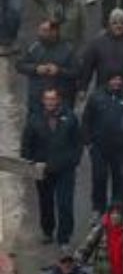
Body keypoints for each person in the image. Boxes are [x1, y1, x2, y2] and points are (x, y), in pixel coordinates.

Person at [21, 87, 83, 246]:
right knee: (45, 202)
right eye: (47, 99)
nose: (50, 102)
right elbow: (27, 144)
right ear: (43, 100)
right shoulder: (34, 119)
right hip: (43, 169)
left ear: (58, 100)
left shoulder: (70, 117)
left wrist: (73, 161)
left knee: (65, 204)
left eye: (53, 99)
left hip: (65, 169)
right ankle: (47, 231)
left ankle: (64, 237)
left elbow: (77, 142)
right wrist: (31, 162)